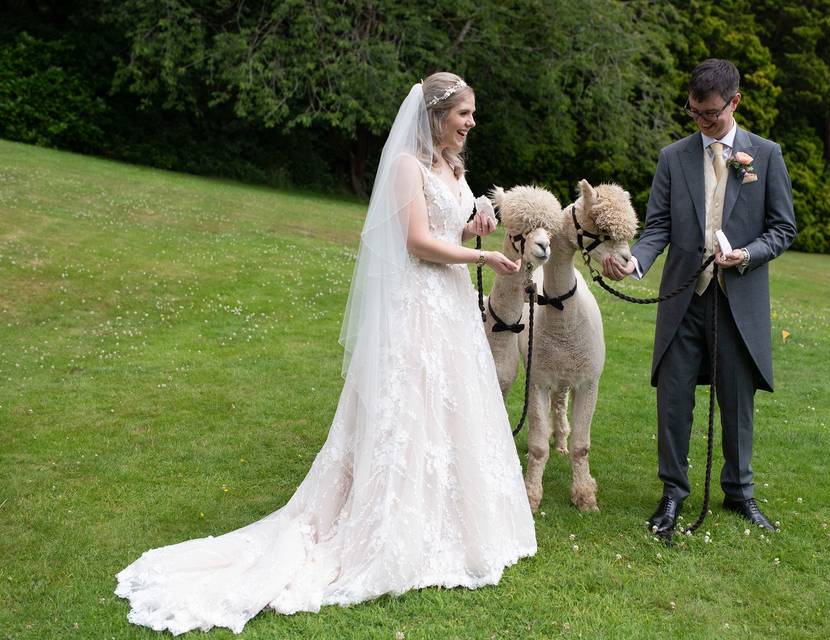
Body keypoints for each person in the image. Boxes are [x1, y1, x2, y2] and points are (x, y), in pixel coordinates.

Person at [115, 72, 537, 635]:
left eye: (472, 114)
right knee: (408, 406)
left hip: (450, 305)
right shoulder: (407, 166)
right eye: (464, 114)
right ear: (437, 115)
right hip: (417, 304)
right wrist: (479, 260)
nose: (471, 123)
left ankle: (454, 524)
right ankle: (388, 526)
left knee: (450, 408)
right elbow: (415, 240)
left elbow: (449, 226)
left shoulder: (453, 168)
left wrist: (476, 224)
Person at [602, 59, 797, 536]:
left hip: (737, 301)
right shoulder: (673, 157)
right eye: (693, 112)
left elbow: (783, 228)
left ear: (734, 103)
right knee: (673, 398)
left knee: (736, 400)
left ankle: (739, 493)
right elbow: (659, 227)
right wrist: (636, 261)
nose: (701, 122)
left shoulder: (766, 156)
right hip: (682, 298)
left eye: (710, 114)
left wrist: (747, 254)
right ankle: (672, 493)